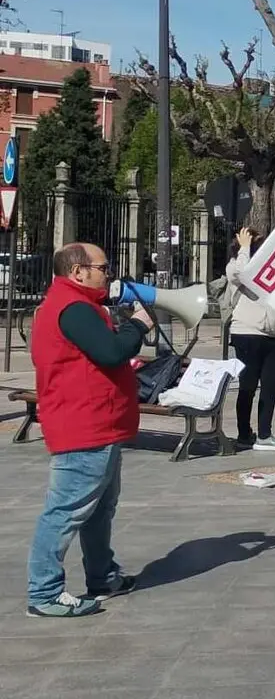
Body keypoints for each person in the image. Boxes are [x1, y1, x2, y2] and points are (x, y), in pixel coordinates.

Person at [27, 243, 154, 618]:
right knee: (66, 511)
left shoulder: (77, 305)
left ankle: (102, 575)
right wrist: (138, 325)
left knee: (99, 509)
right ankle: (45, 592)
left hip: (96, 422)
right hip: (83, 425)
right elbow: (112, 353)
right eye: (102, 267)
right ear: (78, 271)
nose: (108, 273)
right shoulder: (73, 308)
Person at [225, 227, 275, 452]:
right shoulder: (235, 265)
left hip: (271, 333)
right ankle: (244, 433)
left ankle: (264, 434)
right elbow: (242, 272)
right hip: (247, 332)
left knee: (271, 384)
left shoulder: (269, 270)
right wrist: (245, 247)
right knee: (248, 385)